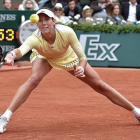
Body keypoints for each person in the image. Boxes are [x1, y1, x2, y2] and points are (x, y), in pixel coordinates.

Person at [0, 7, 140, 134]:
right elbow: (20, 50)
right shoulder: (35, 38)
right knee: (34, 79)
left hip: (68, 57)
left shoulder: (66, 32)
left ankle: (136, 111)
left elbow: (83, 57)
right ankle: (5, 117)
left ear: (54, 21)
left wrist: (80, 67)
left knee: (101, 86)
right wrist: (11, 55)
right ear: (36, 23)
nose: (44, 23)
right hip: (44, 56)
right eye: (40, 20)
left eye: (47, 19)